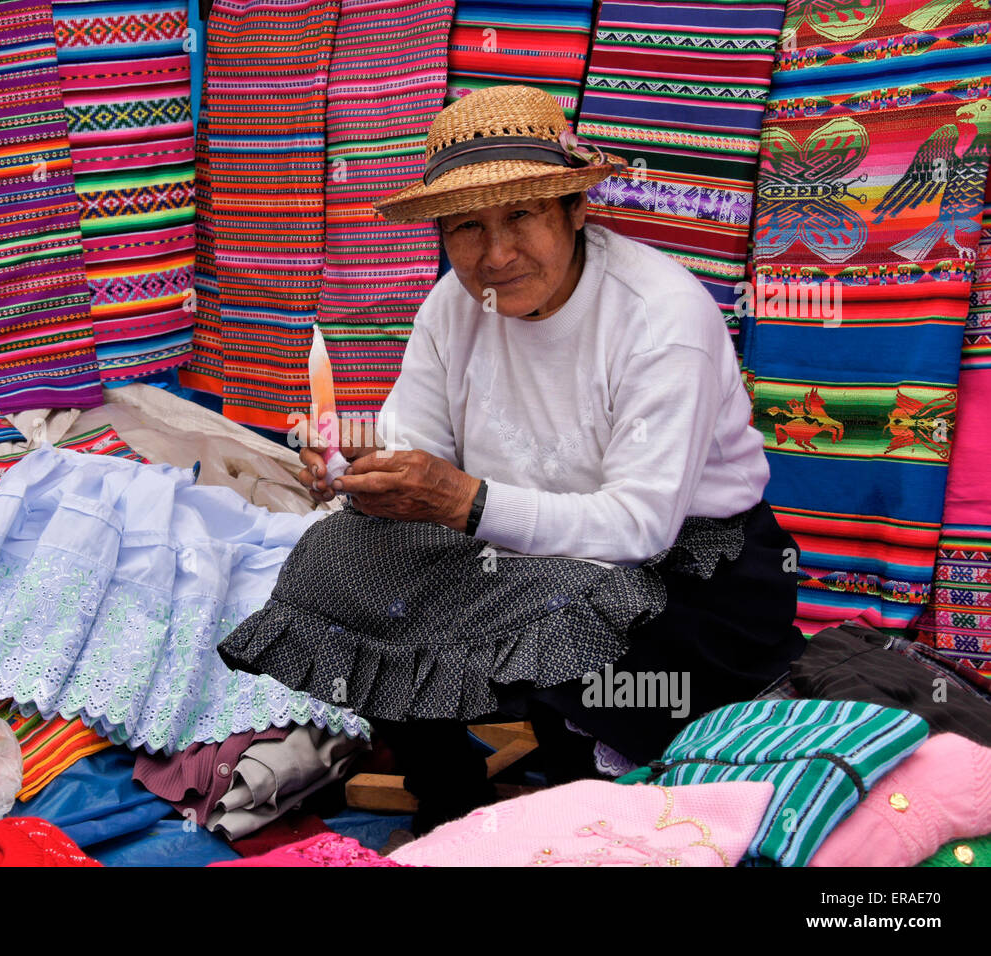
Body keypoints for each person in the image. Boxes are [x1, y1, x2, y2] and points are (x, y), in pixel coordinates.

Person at [285, 84, 806, 834]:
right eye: (467, 226)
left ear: (576, 210)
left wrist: (462, 502)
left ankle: (584, 803)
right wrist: (353, 467)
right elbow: (412, 443)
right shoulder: (452, 307)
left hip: (693, 581)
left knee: (571, 640)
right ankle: (449, 808)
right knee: (352, 565)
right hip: (528, 552)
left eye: (521, 215)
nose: (495, 256)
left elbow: (640, 527)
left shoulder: (661, 318)